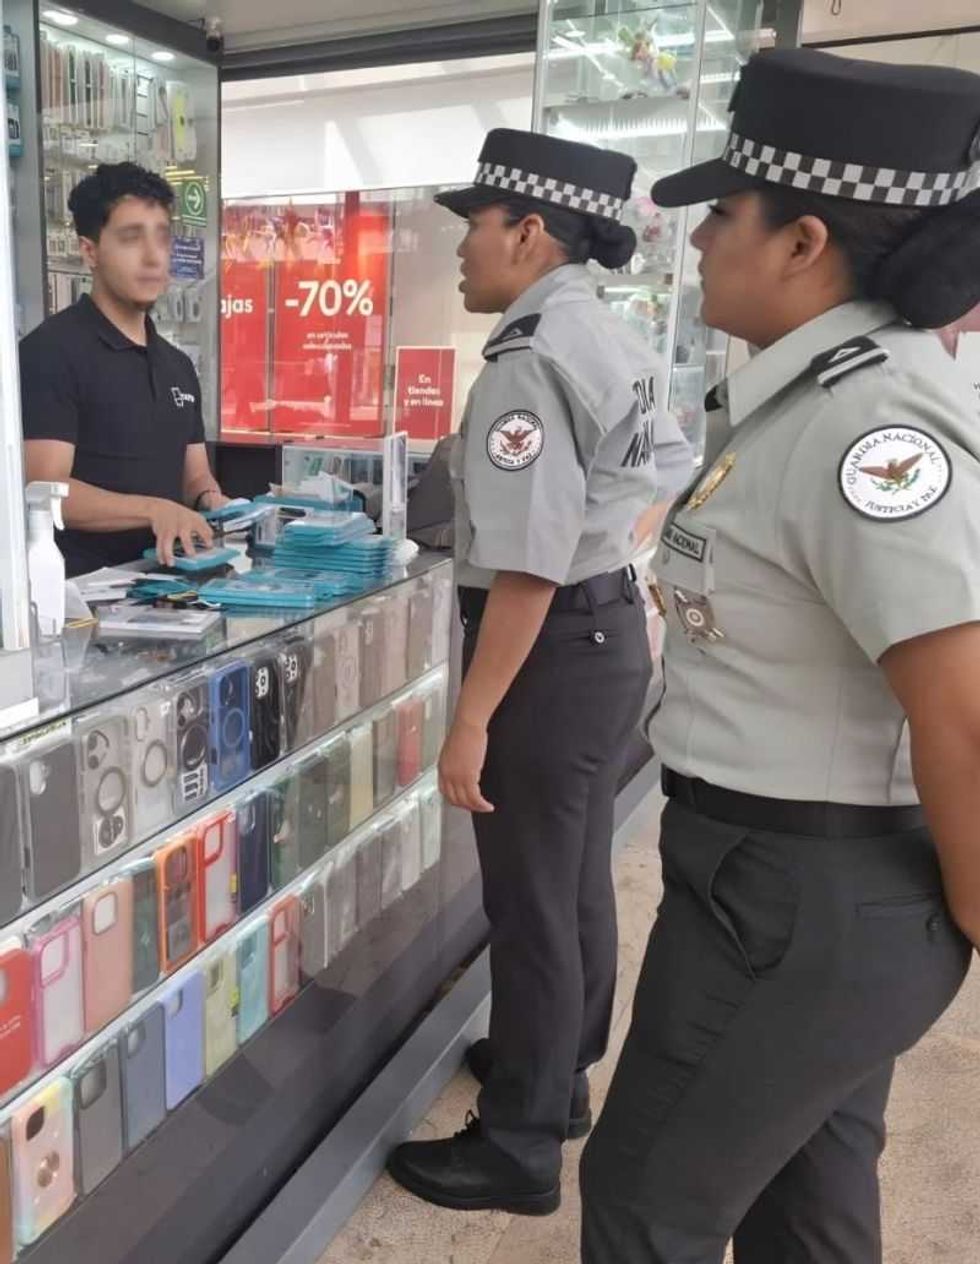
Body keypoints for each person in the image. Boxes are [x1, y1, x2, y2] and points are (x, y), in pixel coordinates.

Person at [580, 47, 980, 1264]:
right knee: (802, 1203)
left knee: (645, 1195)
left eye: (722, 213)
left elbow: (958, 703)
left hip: (802, 897)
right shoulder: (804, 400)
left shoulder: (871, 427)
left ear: (803, 241)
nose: (697, 240)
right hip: (777, 879)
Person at [386, 127, 693, 1215]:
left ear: (526, 231)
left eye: (471, 228)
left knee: (527, 900)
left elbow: (523, 568)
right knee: (567, 884)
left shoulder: (527, 359)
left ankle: (515, 1149)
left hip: (547, 648)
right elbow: (663, 463)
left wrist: (471, 717)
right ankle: (552, 1075)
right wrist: (611, 540)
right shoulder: (608, 336)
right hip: (600, 638)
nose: (459, 251)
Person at [20, 162, 228, 577]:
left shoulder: (178, 365)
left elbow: (195, 475)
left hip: (171, 596)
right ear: (89, 250)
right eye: (132, 238)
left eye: (162, 237)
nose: (153, 257)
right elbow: (45, 492)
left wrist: (211, 499)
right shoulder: (50, 352)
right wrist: (154, 510)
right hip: (81, 608)